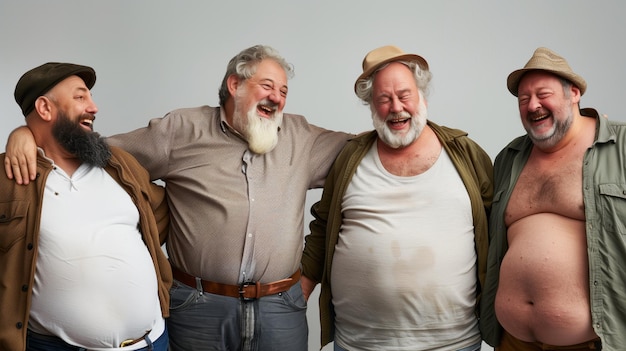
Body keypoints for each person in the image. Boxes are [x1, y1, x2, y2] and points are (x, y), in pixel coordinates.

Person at [4, 45, 352, 351]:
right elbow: (91, 149)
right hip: (199, 307)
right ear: (235, 85)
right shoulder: (181, 131)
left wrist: (305, 282)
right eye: (267, 86)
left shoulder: (301, 138)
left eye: (284, 91)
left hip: (280, 307)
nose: (277, 97)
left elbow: (364, 151)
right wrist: (25, 134)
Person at [300, 45, 493, 351]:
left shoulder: (465, 153)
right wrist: (296, 300)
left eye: (404, 95)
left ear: (422, 98)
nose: (396, 107)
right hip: (359, 343)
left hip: (453, 343)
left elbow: (498, 229)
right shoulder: (351, 156)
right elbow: (322, 229)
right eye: (383, 99)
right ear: (372, 107)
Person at [0, 63, 172, 351]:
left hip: (152, 343)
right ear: (44, 108)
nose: (94, 107)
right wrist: (22, 133)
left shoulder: (118, 163)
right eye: (80, 97)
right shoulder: (9, 177)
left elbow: (161, 215)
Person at [479, 47, 626, 350]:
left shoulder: (620, 146)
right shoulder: (509, 157)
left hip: (589, 342)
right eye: (523, 99)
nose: (533, 105)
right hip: (512, 341)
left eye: (543, 94)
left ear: (574, 93)